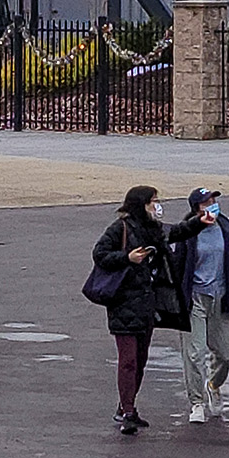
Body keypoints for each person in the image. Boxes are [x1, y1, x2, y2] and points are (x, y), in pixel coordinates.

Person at [90, 185, 213, 436]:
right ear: (140, 204)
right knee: (128, 361)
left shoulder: (152, 228)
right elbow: (100, 253)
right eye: (153, 201)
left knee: (141, 359)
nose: (157, 206)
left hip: (146, 304)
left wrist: (199, 222)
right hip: (123, 304)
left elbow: (176, 232)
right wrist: (127, 258)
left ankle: (127, 405)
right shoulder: (120, 228)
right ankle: (127, 411)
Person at [177, 186, 229, 423]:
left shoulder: (228, 229)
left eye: (214, 200)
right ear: (197, 208)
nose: (212, 205)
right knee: (195, 353)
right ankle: (196, 402)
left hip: (221, 296)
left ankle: (214, 384)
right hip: (195, 297)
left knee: (225, 352)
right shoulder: (188, 231)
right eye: (207, 202)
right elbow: (178, 266)